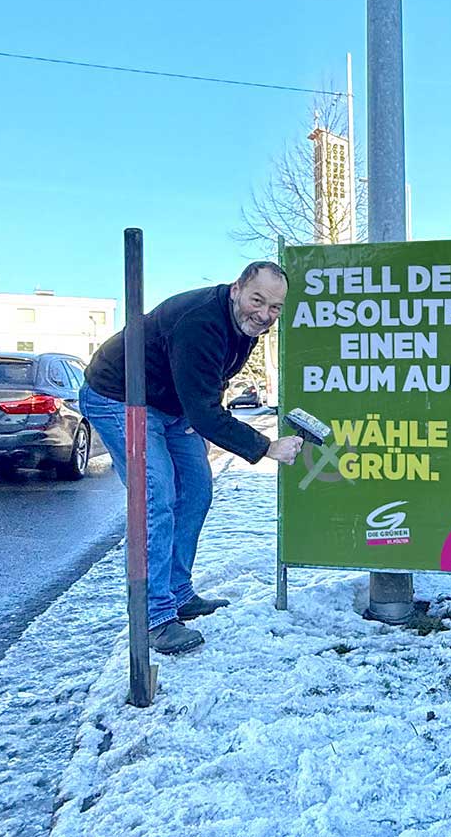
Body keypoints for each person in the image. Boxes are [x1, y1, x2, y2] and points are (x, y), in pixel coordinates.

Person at [80, 261, 304, 655]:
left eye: (275, 307)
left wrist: (201, 415)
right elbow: (204, 413)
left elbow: (208, 386)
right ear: (236, 289)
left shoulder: (243, 326)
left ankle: (178, 591)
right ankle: (154, 617)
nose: (264, 314)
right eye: (257, 300)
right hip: (120, 396)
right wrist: (266, 446)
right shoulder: (200, 321)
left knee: (197, 490)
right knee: (156, 497)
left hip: (172, 405)